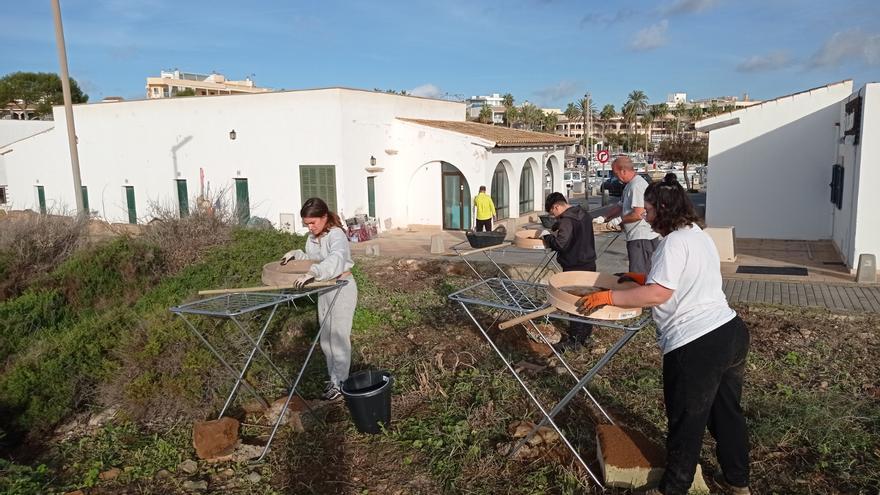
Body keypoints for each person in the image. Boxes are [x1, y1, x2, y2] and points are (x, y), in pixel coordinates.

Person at [576, 175, 751, 495]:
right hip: (731, 332)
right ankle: (738, 481)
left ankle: (673, 488)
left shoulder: (672, 242)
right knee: (726, 413)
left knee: (687, 421)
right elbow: (684, 278)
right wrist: (642, 276)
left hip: (697, 344)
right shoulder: (697, 234)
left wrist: (608, 298)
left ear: (665, 210)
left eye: (650, 209)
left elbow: (656, 295)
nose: (645, 215)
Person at [280, 197, 358, 401]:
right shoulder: (312, 237)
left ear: (324, 217)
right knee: (326, 338)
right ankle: (334, 380)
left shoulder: (336, 235)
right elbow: (313, 258)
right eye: (307, 224)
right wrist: (297, 255)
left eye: (313, 222)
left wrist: (314, 272)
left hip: (342, 286)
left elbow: (336, 259)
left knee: (338, 337)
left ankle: (341, 384)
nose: (310, 227)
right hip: (324, 287)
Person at [539, 192, 598, 352]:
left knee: (575, 302)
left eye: (553, 213)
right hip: (589, 262)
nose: (555, 217)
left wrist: (547, 237)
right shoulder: (582, 213)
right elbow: (576, 229)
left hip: (574, 266)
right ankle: (586, 335)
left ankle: (575, 340)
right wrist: (558, 225)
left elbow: (561, 244)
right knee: (588, 300)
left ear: (556, 206)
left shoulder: (567, 220)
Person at [592, 156, 661, 273]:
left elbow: (638, 214)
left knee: (639, 273)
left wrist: (619, 220)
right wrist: (604, 217)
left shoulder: (637, 186)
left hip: (642, 237)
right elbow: (620, 205)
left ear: (623, 171)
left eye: (615, 173)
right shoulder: (629, 185)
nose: (614, 176)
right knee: (636, 271)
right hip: (635, 236)